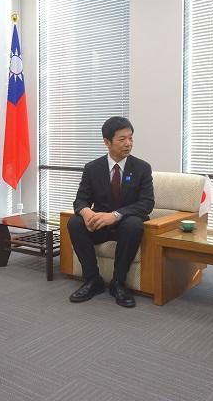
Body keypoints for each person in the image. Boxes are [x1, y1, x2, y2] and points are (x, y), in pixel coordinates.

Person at [67, 116, 154, 308]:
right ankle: (92, 280)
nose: (128, 144)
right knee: (74, 222)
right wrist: (86, 212)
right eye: (122, 139)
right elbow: (80, 199)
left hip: (126, 225)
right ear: (107, 142)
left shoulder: (142, 168)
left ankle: (118, 283)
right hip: (101, 227)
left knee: (133, 224)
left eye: (130, 138)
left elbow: (147, 204)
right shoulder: (92, 168)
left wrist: (115, 215)